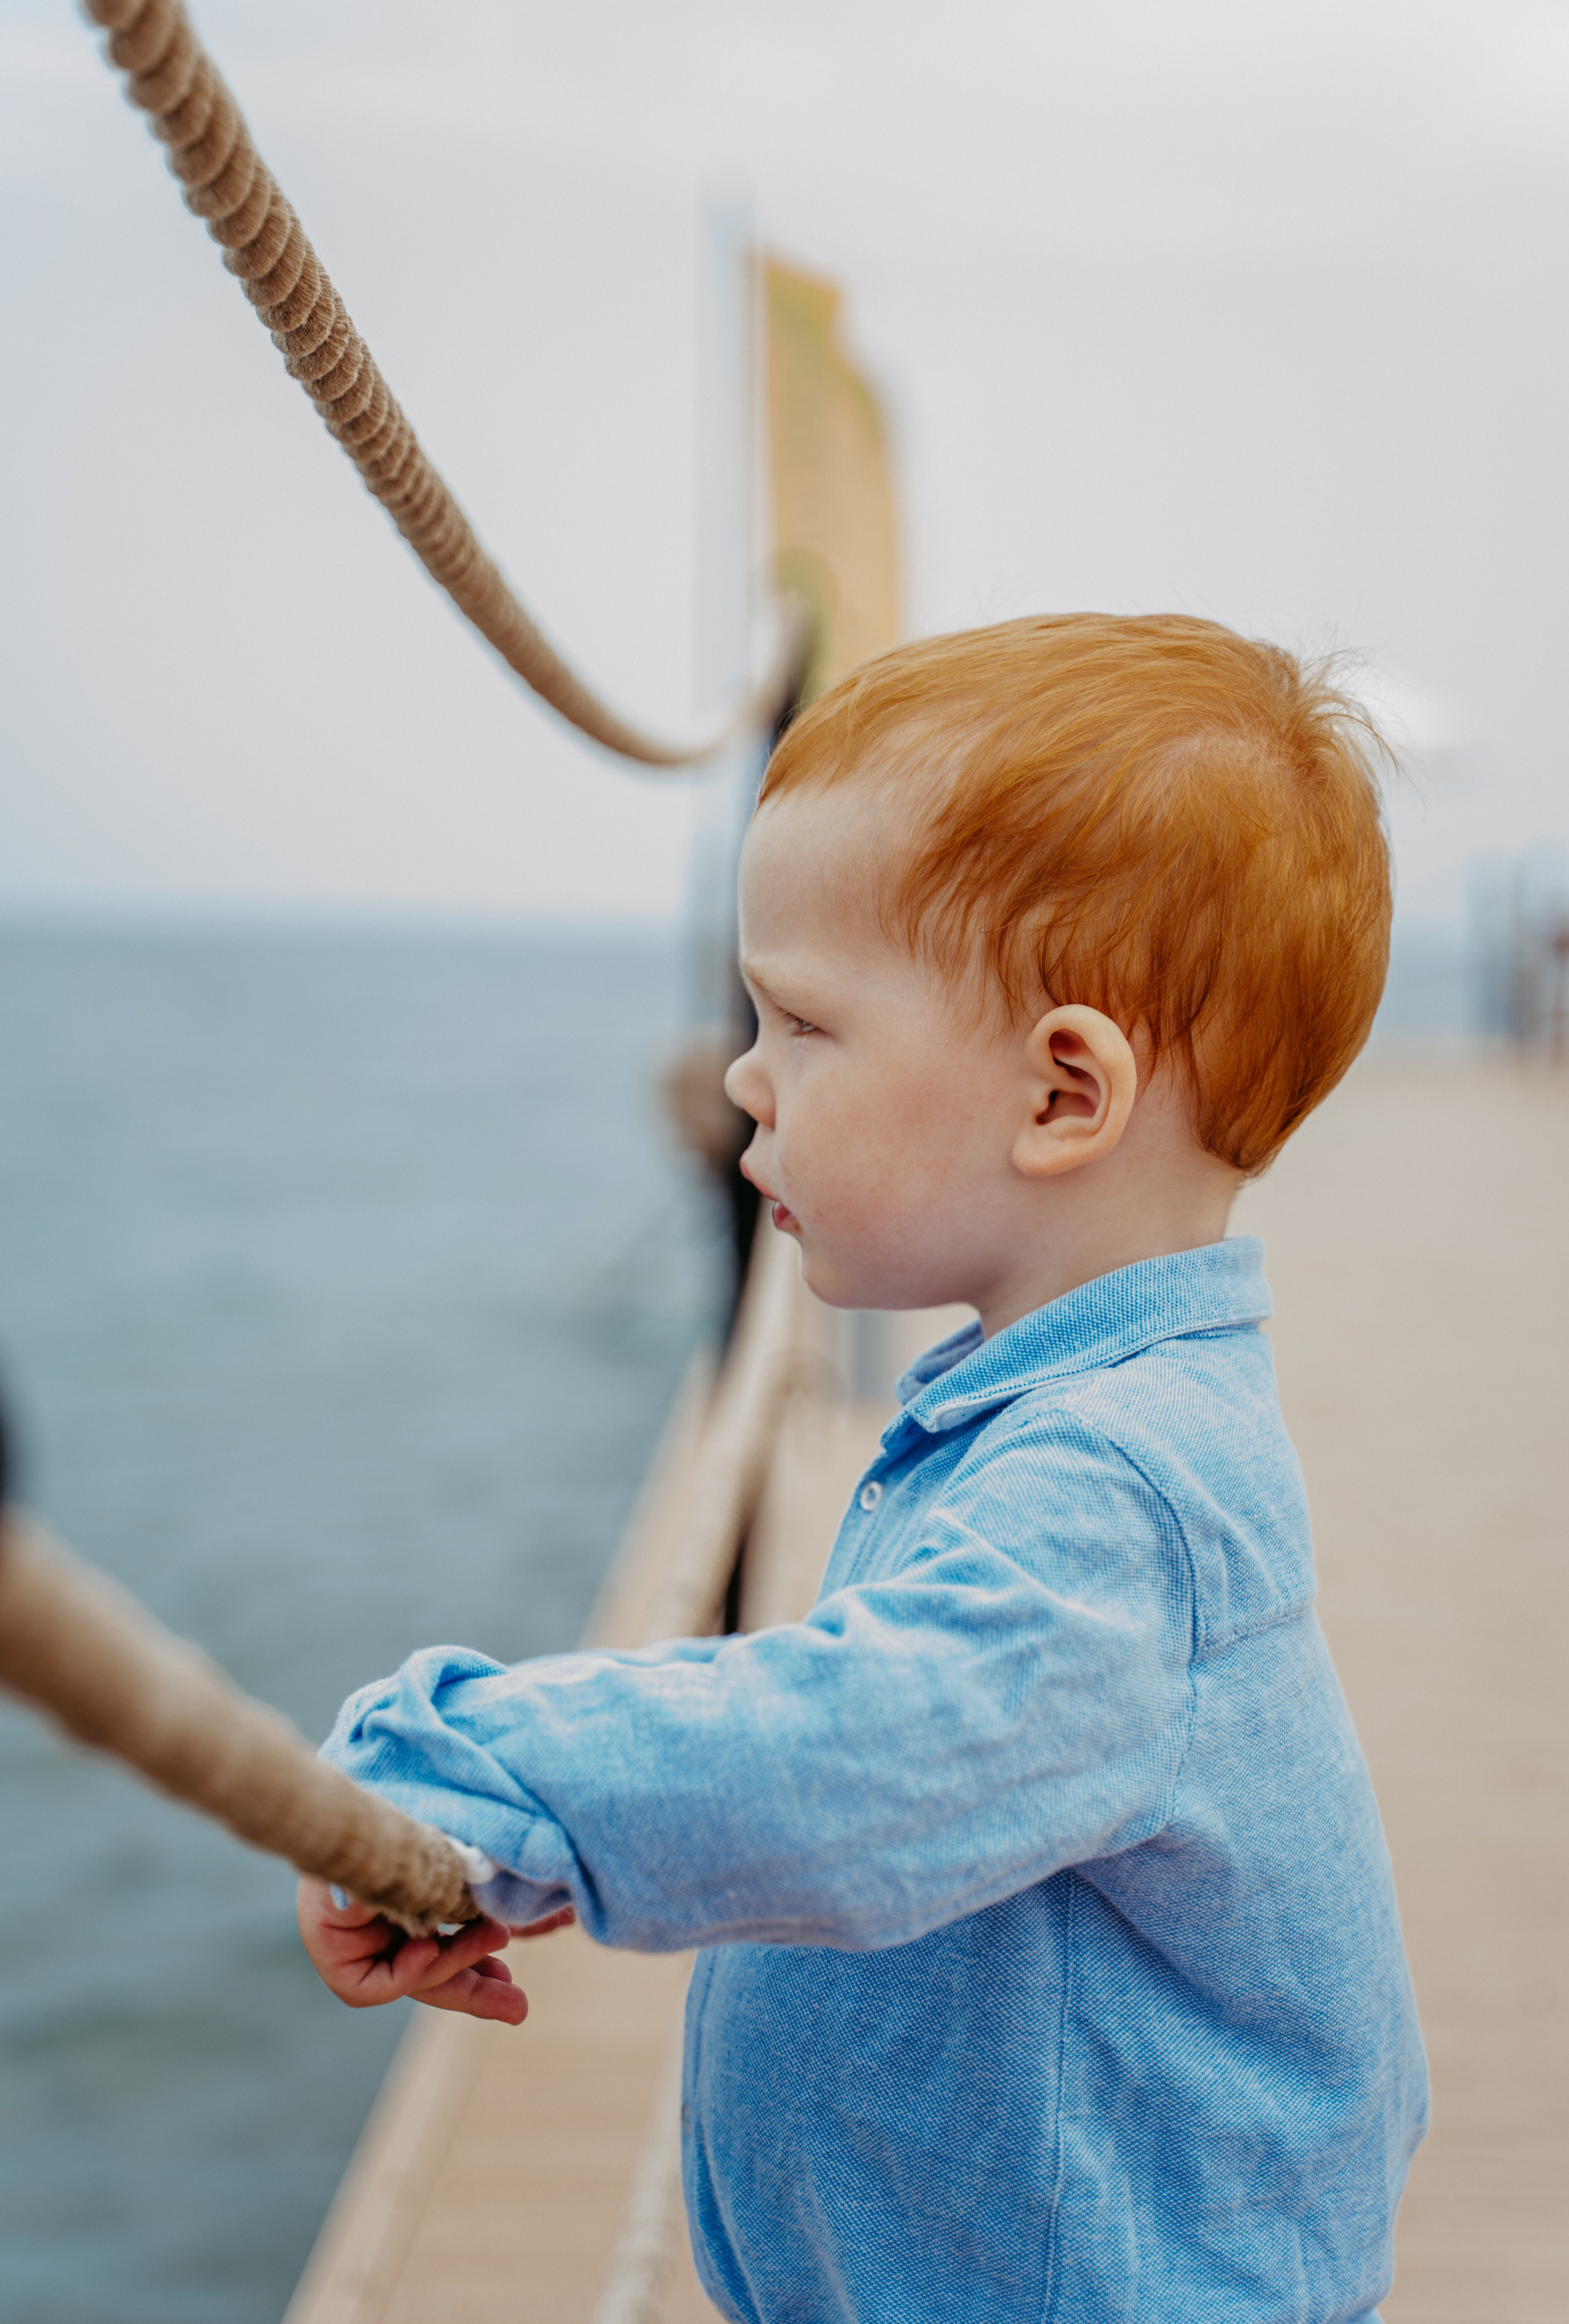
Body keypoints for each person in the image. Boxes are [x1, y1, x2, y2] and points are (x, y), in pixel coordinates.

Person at [299, 614, 1427, 2323]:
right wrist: (543, 1842)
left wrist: (466, 1776)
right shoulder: (1067, 1408)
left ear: (1063, 1092)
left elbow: (851, 1760)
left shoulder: (1117, 1492)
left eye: (802, 1023)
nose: (743, 1078)